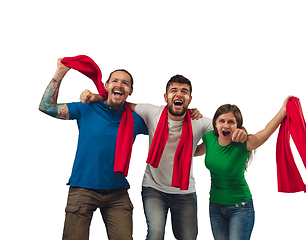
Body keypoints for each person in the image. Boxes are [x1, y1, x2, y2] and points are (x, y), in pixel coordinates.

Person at [82, 74, 248, 240]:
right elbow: (122, 103)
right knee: (155, 234)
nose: (178, 94)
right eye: (173, 90)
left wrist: (243, 132)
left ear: (190, 99)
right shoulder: (151, 112)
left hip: (185, 191)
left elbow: (223, 130)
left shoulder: (199, 121)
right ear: (165, 96)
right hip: (154, 188)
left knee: (189, 237)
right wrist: (98, 97)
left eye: (184, 91)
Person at [38, 58, 148, 240]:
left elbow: (165, 123)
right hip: (83, 187)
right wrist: (60, 71)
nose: (119, 84)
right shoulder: (86, 107)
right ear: (106, 86)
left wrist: (190, 113)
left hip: (117, 192)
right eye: (115, 81)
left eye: (125, 83)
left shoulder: (135, 119)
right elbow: (46, 106)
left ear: (130, 91)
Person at [194, 96, 293, 240]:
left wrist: (283, 111)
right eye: (221, 121)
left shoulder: (244, 143)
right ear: (215, 123)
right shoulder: (209, 138)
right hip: (215, 207)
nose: (226, 125)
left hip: (240, 207)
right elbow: (196, 151)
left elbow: (265, 133)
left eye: (231, 122)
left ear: (237, 126)